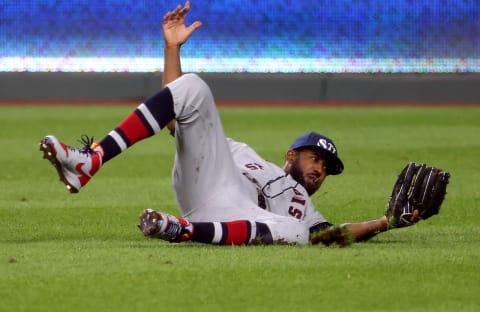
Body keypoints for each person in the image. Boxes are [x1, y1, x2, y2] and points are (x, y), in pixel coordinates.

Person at [39, 2, 410, 246]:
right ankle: (91, 161)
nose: (320, 169)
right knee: (195, 87)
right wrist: (172, 50)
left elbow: (337, 234)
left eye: (327, 168)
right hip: (211, 184)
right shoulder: (243, 153)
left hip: (241, 217)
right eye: (316, 158)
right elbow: (177, 115)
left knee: (300, 233)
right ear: (292, 155)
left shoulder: (307, 210)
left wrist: (385, 221)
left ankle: (181, 231)